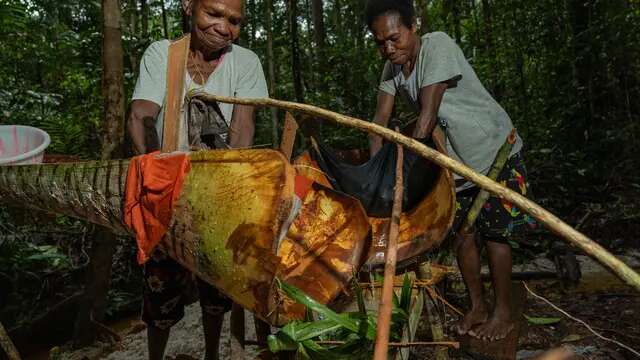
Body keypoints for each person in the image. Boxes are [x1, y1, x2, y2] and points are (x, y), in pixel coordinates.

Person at [365, 0, 536, 341]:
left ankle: (503, 312)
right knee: (462, 236)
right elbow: (377, 124)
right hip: (455, 161)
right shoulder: (392, 69)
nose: (388, 48)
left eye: (395, 38)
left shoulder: (438, 45)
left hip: (492, 151)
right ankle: (478, 306)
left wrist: (406, 176)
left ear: (416, 25)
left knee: (495, 235)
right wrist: (379, 172)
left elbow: (426, 119)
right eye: (380, 42)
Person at [127, 0, 268, 358]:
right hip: (165, 193)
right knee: (160, 290)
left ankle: (211, 354)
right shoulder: (163, 55)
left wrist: (230, 190)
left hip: (216, 194)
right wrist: (154, 174)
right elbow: (142, 115)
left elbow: (243, 126)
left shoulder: (245, 62)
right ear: (189, 7)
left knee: (215, 292)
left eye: (234, 21)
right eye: (214, 14)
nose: (224, 27)